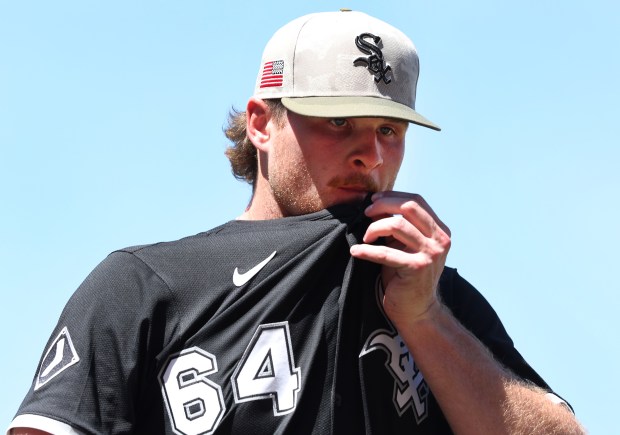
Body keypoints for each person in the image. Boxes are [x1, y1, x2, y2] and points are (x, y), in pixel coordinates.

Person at [8, 9, 584, 435]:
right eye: (337, 121)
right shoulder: (145, 284)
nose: (372, 156)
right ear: (261, 122)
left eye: (389, 130)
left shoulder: (435, 294)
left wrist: (427, 318)